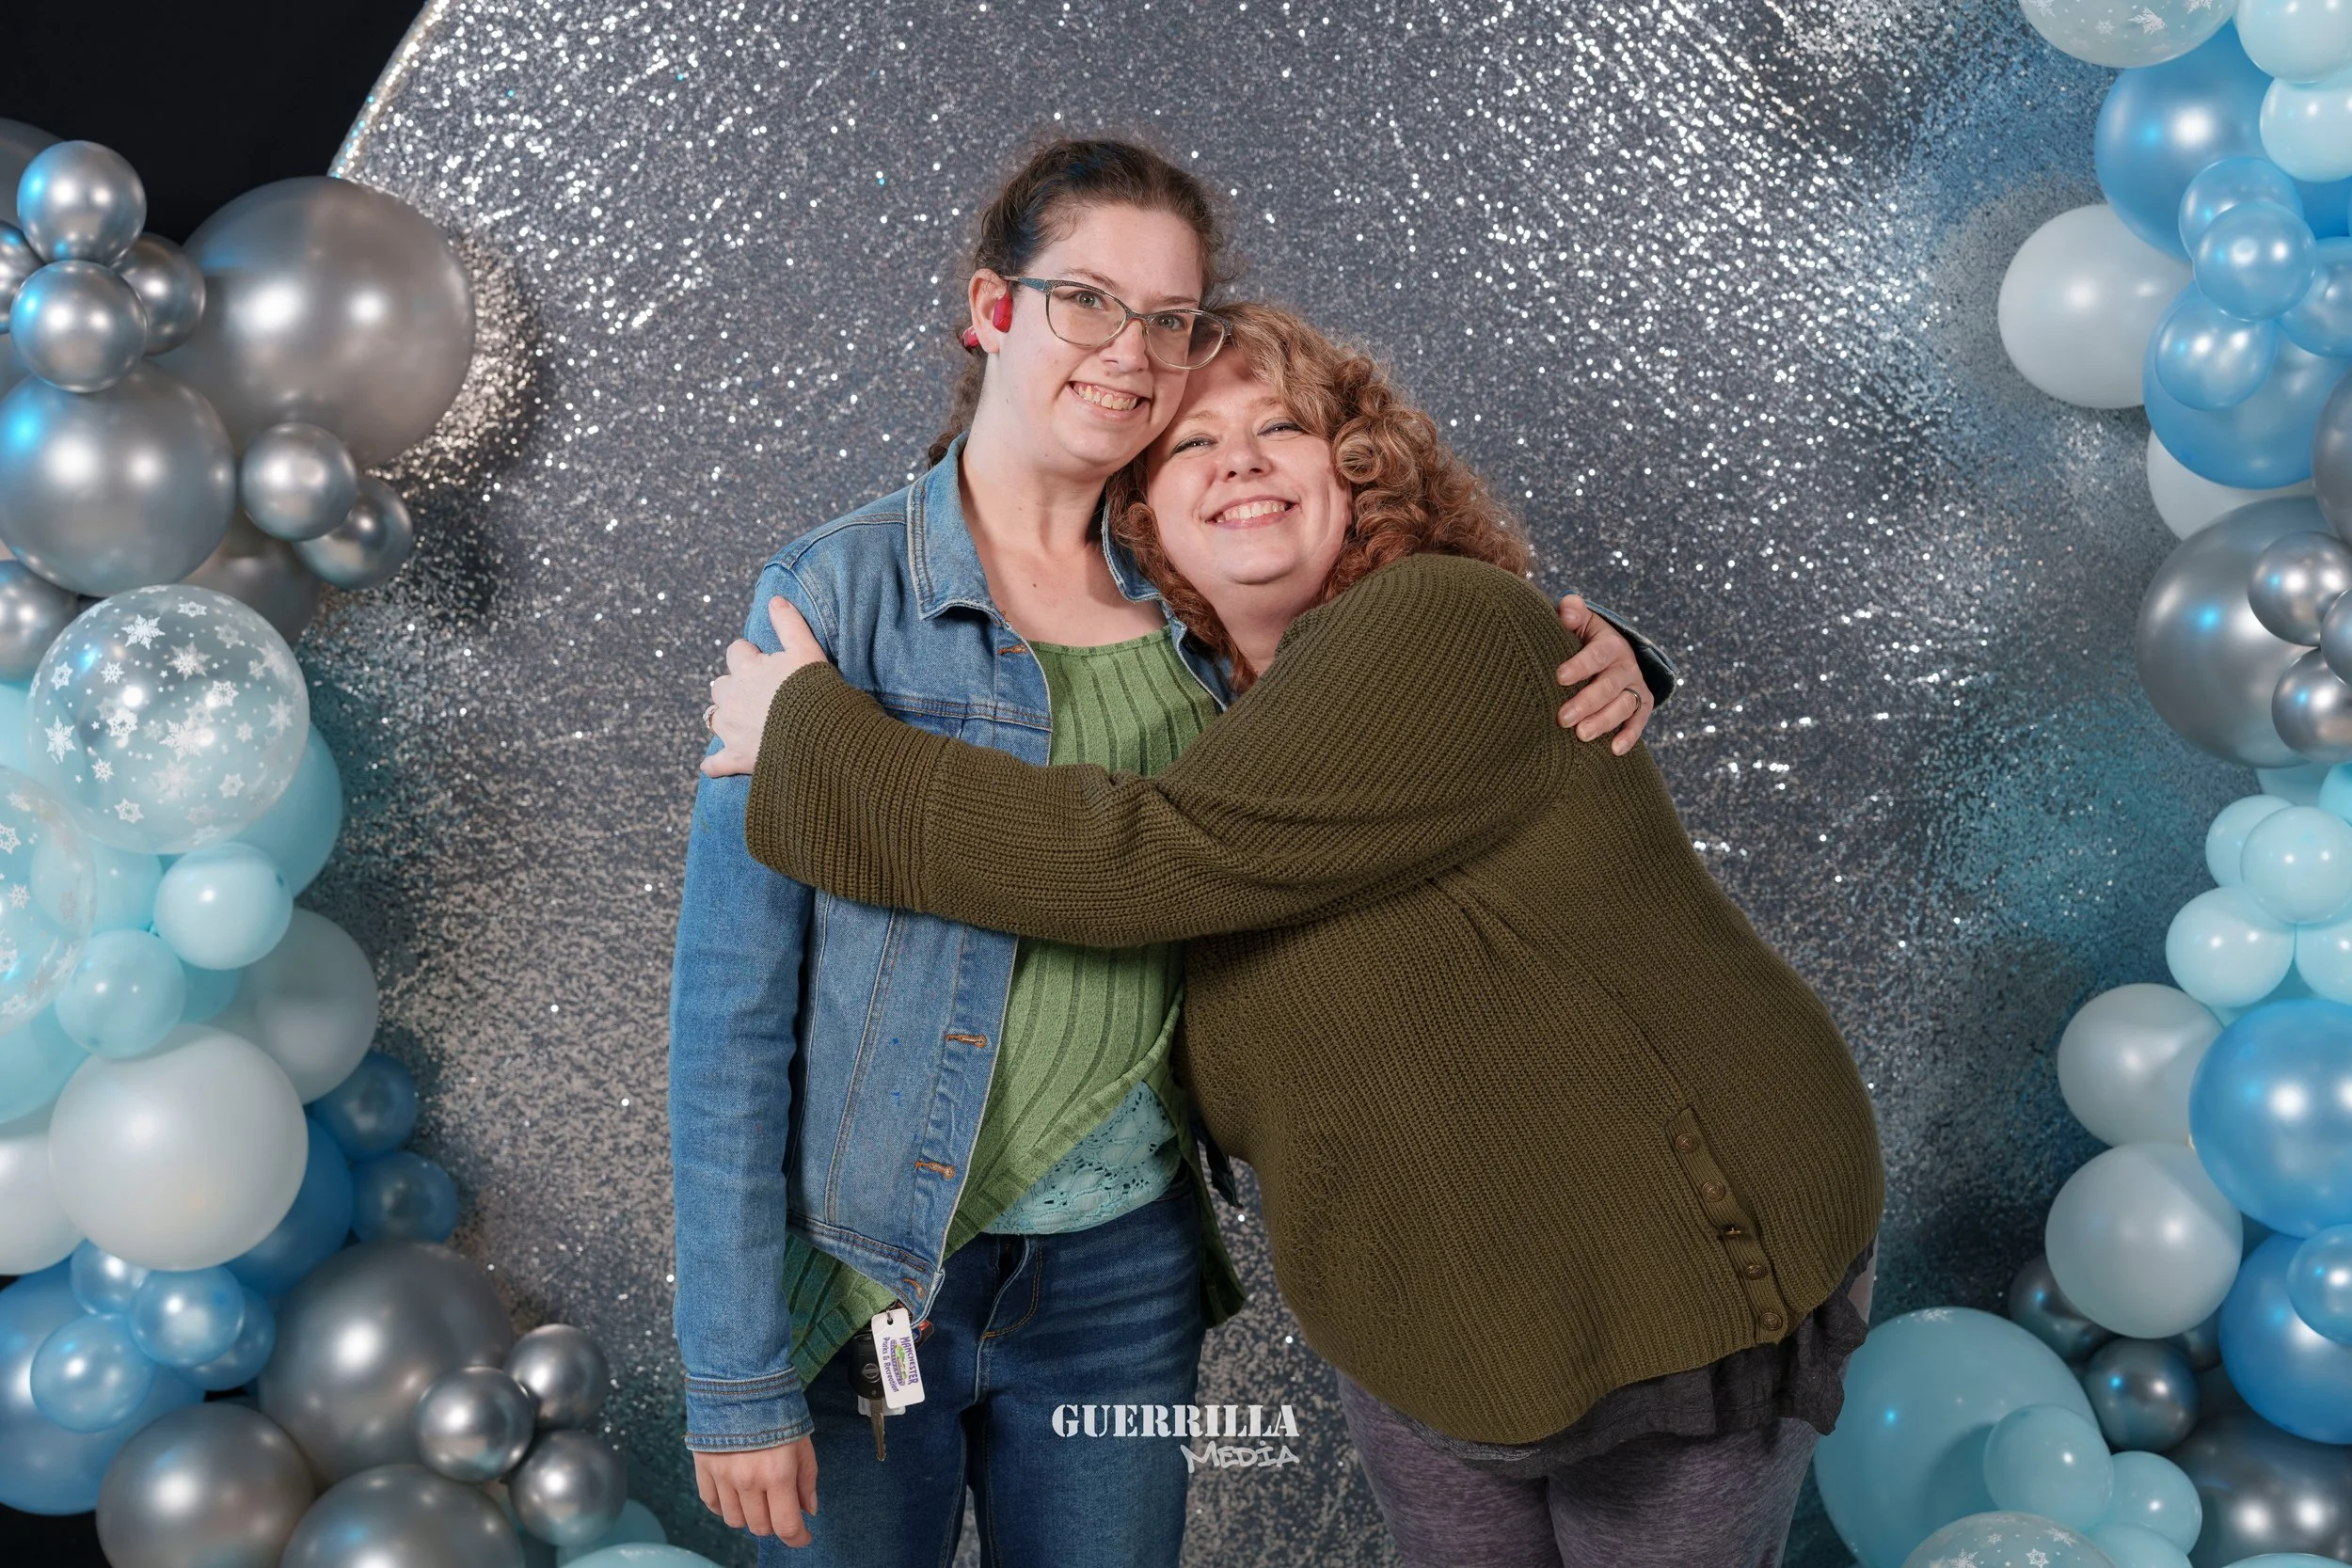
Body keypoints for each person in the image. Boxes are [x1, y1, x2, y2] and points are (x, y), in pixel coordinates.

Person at [703, 299, 1885, 1568]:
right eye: (1191, 447)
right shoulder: (1211, 725)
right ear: (1141, 523)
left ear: (1359, 471)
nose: (1245, 462)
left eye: (1284, 427)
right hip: (1435, 1322)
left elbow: (1139, 860)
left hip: (1668, 1268)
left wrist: (815, 740)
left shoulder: (1431, 621)